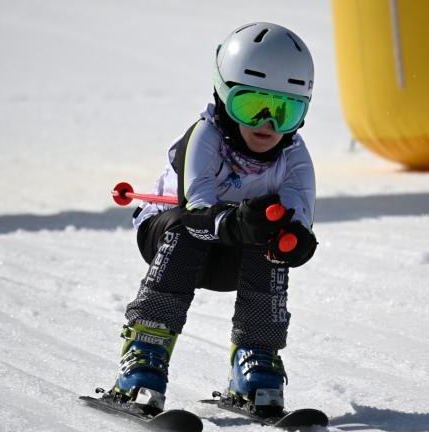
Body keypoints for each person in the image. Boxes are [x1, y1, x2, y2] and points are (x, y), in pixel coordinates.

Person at [103, 22, 317, 415]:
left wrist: (294, 242)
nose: (267, 124)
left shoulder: (294, 158)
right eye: (251, 106)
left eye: (285, 111)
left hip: (231, 257)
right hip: (168, 238)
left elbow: (299, 223)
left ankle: (256, 357)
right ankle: (145, 351)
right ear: (223, 94)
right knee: (184, 230)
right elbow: (196, 212)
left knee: (271, 238)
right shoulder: (205, 137)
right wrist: (236, 221)